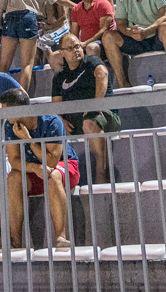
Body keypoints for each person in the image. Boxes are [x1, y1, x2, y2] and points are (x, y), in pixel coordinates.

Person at [0, 86, 75, 251]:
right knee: (13, 178)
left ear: (19, 109)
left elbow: (51, 161)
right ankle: (15, 240)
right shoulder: (10, 125)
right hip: (34, 169)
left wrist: (28, 139)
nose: (3, 114)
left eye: (6, 110)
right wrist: (35, 168)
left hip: (63, 164)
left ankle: (61, 237)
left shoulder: (52, 121)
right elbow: (14, 161)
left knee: (53, 175)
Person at [50, 38, 118, 183]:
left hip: (103, 114)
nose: (75, 50)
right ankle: (59, 177)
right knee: (52, 126)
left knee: (89, 123)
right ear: (62, 53)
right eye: (70, 48)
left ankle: (101, 173)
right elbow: (56, 106)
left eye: (77, 46)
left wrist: (95, 105)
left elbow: (102, 74)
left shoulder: (91, 61)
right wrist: (61, 121)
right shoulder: (59, 77)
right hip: (76, 119)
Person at [0, 0, 60, 93]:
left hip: (10, 18)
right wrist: (75, 4)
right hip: (27, 18)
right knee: (27, 65)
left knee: (3, 65)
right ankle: (22, 97)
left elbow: (0, 4)